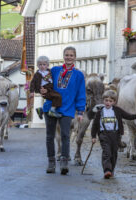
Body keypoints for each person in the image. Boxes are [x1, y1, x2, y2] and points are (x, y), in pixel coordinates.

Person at [40, 46, 86, 175]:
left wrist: (80, 111)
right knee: (50, 136)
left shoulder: (78, 75)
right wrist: (42, 89)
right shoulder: (55, 70)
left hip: (67, 109)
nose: (69, 57)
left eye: (71, 55)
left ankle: (64, 162)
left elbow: (81, 94)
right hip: (50, 107)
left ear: (75, 57)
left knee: (66, 135)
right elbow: (44, 80)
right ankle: (51, 162)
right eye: (66, 55)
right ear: (63, 56)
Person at [91, 90, 136, 179]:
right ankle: (107, 170)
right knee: (107, 152)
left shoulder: (117, 110)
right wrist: (93, 136)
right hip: (104, 135)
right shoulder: (100, 112)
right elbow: (95, 125)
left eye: (110, 101)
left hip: (115, 135)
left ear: (114, 102)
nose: (108, 102)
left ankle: (111, 170)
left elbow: (128, 116)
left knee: (114, 154)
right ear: (103, 101)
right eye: (106, 100)